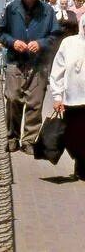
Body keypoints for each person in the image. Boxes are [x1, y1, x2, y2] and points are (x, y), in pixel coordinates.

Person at [0, 0, 59, 153]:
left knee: (35, 103)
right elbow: (1, 33)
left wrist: (41, 43)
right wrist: (12, 42)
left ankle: (29, 141)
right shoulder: (12, 9)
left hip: (38, 64)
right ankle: (12, 138)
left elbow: (55, 35)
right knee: (13, 100)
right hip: (15, 61)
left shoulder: (47, 11)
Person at [50, 21, 85, 180]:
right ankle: (80, 163)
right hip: (73, 99)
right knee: (75, 137)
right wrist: (57, 96)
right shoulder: (69, 43)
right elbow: (58, 70)